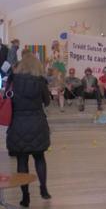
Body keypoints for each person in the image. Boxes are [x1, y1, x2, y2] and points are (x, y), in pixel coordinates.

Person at [6, 52, 52, 207]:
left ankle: (25, 196)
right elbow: (47, 102)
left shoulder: (13, 80)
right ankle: (44, 189)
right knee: (40, 158)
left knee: (22, 160)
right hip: (37, 123)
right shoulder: (41, 81)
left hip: (18, 124)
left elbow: (7, 98)